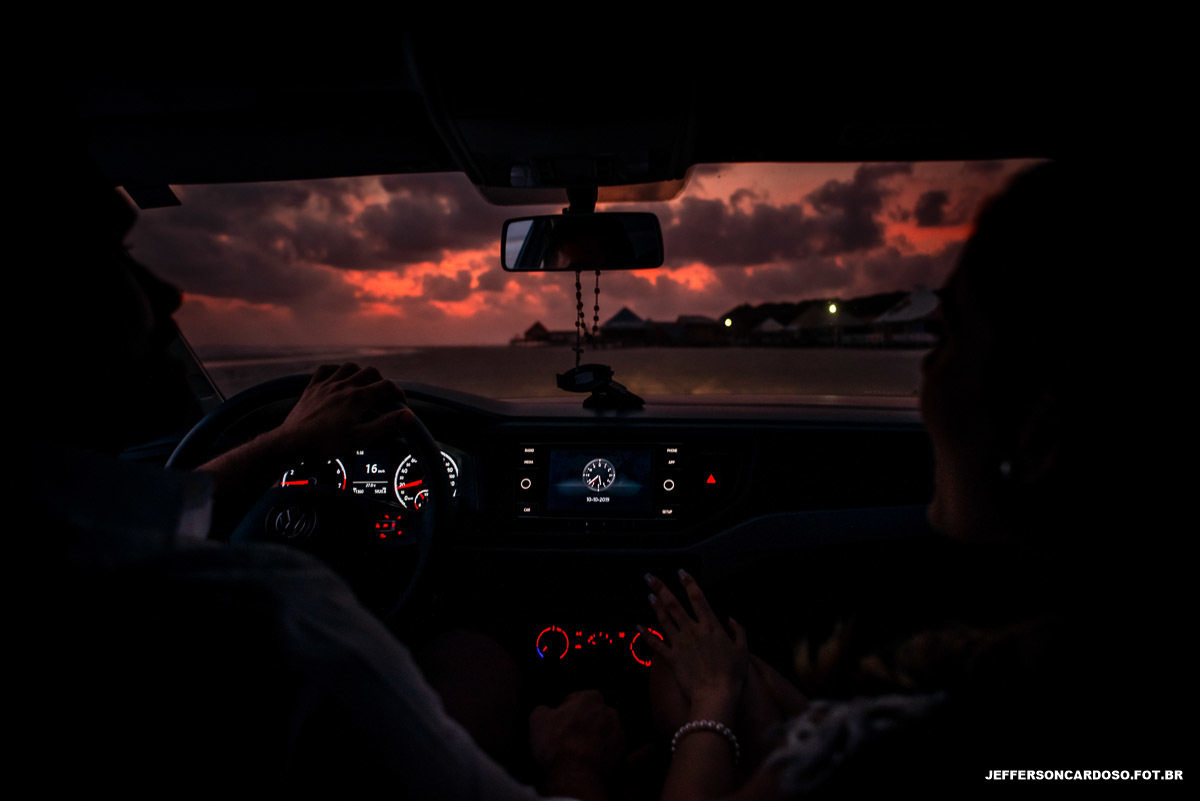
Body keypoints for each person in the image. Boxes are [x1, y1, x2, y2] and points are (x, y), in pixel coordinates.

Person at [30, 166, 623, 799]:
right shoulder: (286, 615)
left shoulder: (85, 550)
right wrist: (576, 761)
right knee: (474, 655)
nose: (169, 296)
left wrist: (286, 446)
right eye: (117, 257)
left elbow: (161, 511)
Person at [634, 161, 1187, 798]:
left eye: (946, 336)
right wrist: (797, 721)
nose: (924, 376)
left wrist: (698, 714)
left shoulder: (891, 747)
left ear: (1037, 434)